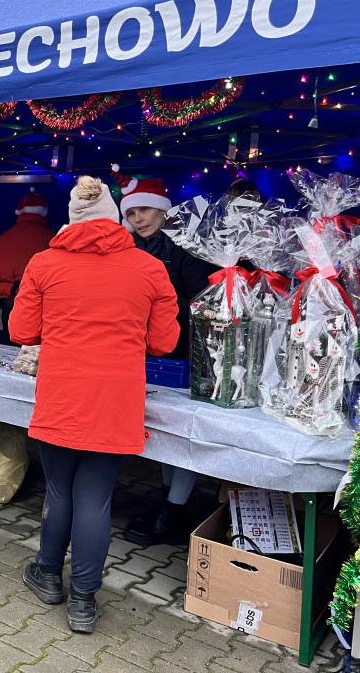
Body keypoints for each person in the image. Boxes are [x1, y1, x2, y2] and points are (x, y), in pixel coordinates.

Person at [10, 176, 179, 633]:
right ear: (116, 218)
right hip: (115, 401)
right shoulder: (149, 269)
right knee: (95, 499)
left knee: (60, 490)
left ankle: (47, 575)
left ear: (71, 219)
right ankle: (83, 600)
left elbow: (22, 331)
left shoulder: (44, 263)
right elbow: (164, 342)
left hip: (61, 396)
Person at [116, 176, 216, 546]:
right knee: (158, 425)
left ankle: (174, 509)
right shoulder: (130, 249)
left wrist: (163, 324)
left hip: (183, 353)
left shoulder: (185, 248)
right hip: (144, 351)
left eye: (143, 209)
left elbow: (201, 303)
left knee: (180, 428)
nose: (137, 218)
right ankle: (167, 500)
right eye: (131, 212)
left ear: (161, 208)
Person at [0, 189, 55, 342]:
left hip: (8, 299)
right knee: (33, 349)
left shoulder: (3, 238)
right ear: (44, 211)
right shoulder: (52, 238)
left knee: (9, 346)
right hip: (38, 301)